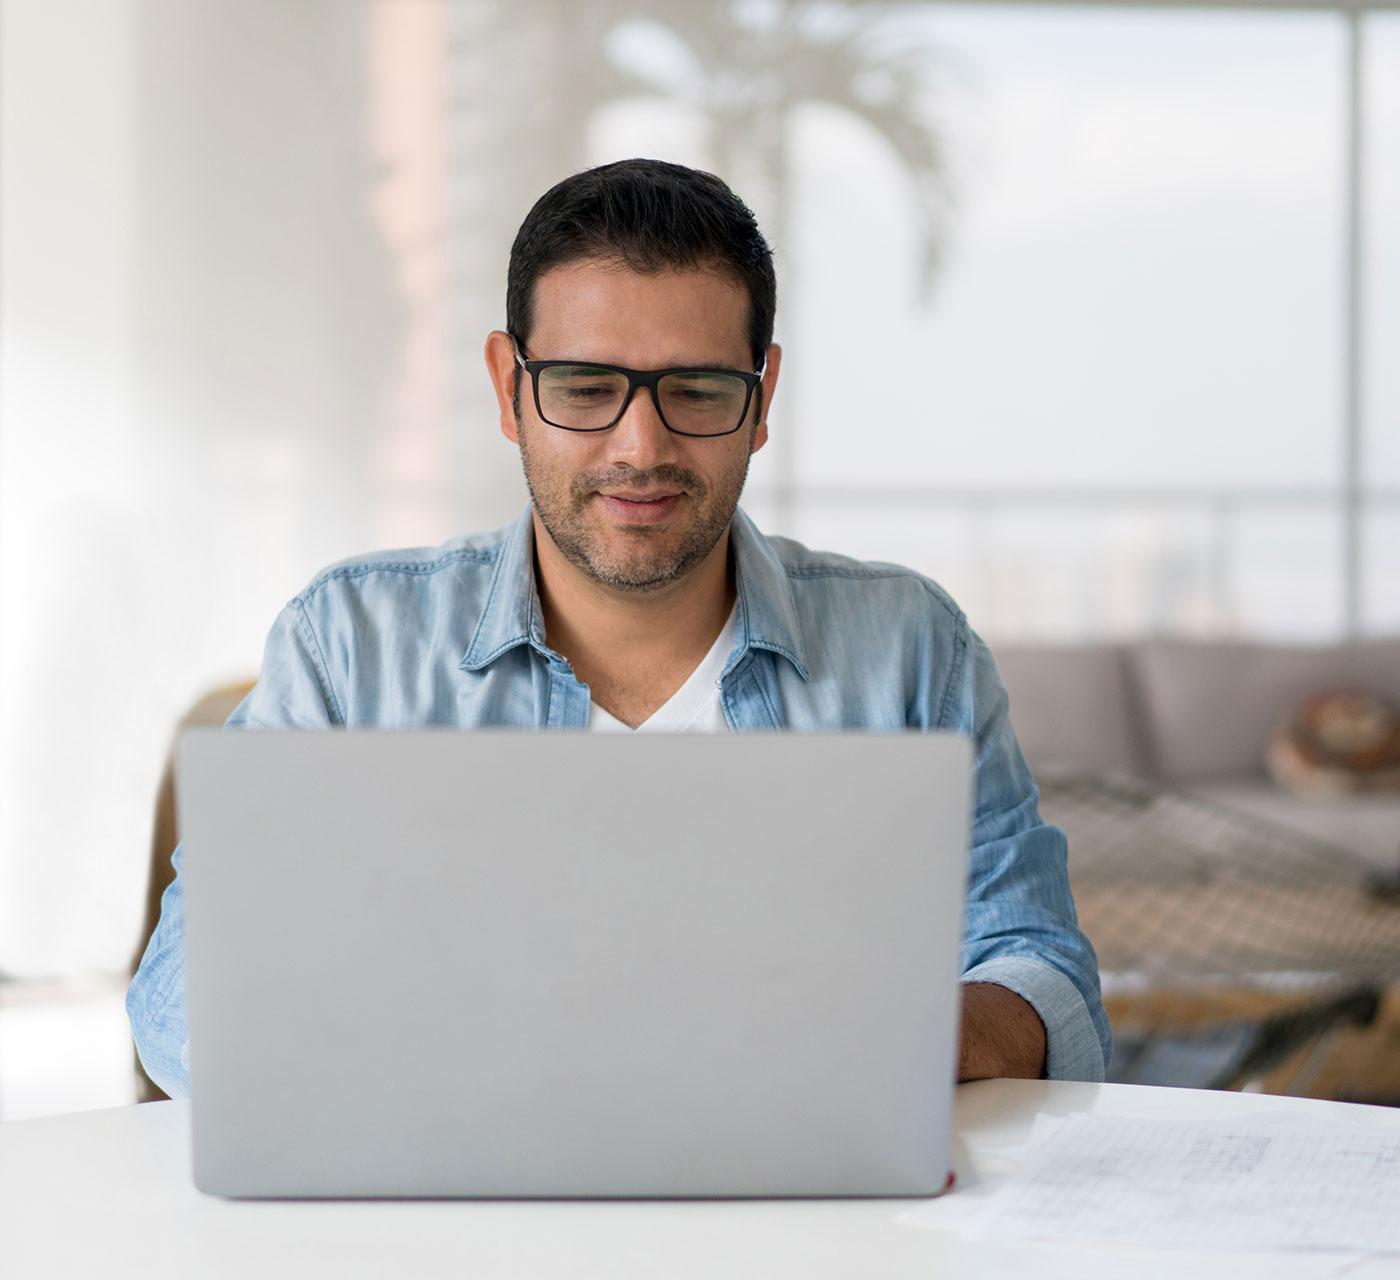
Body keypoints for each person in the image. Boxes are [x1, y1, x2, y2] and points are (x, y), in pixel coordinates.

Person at [128, 158, 1110, 1099]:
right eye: (587, 388)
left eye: (694, 391)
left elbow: (1043, 974)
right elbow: (181, 992)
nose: (639, 448)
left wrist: (901, 1031)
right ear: (508, 388)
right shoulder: (348, 645)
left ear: (760, 396)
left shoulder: (910, 649)